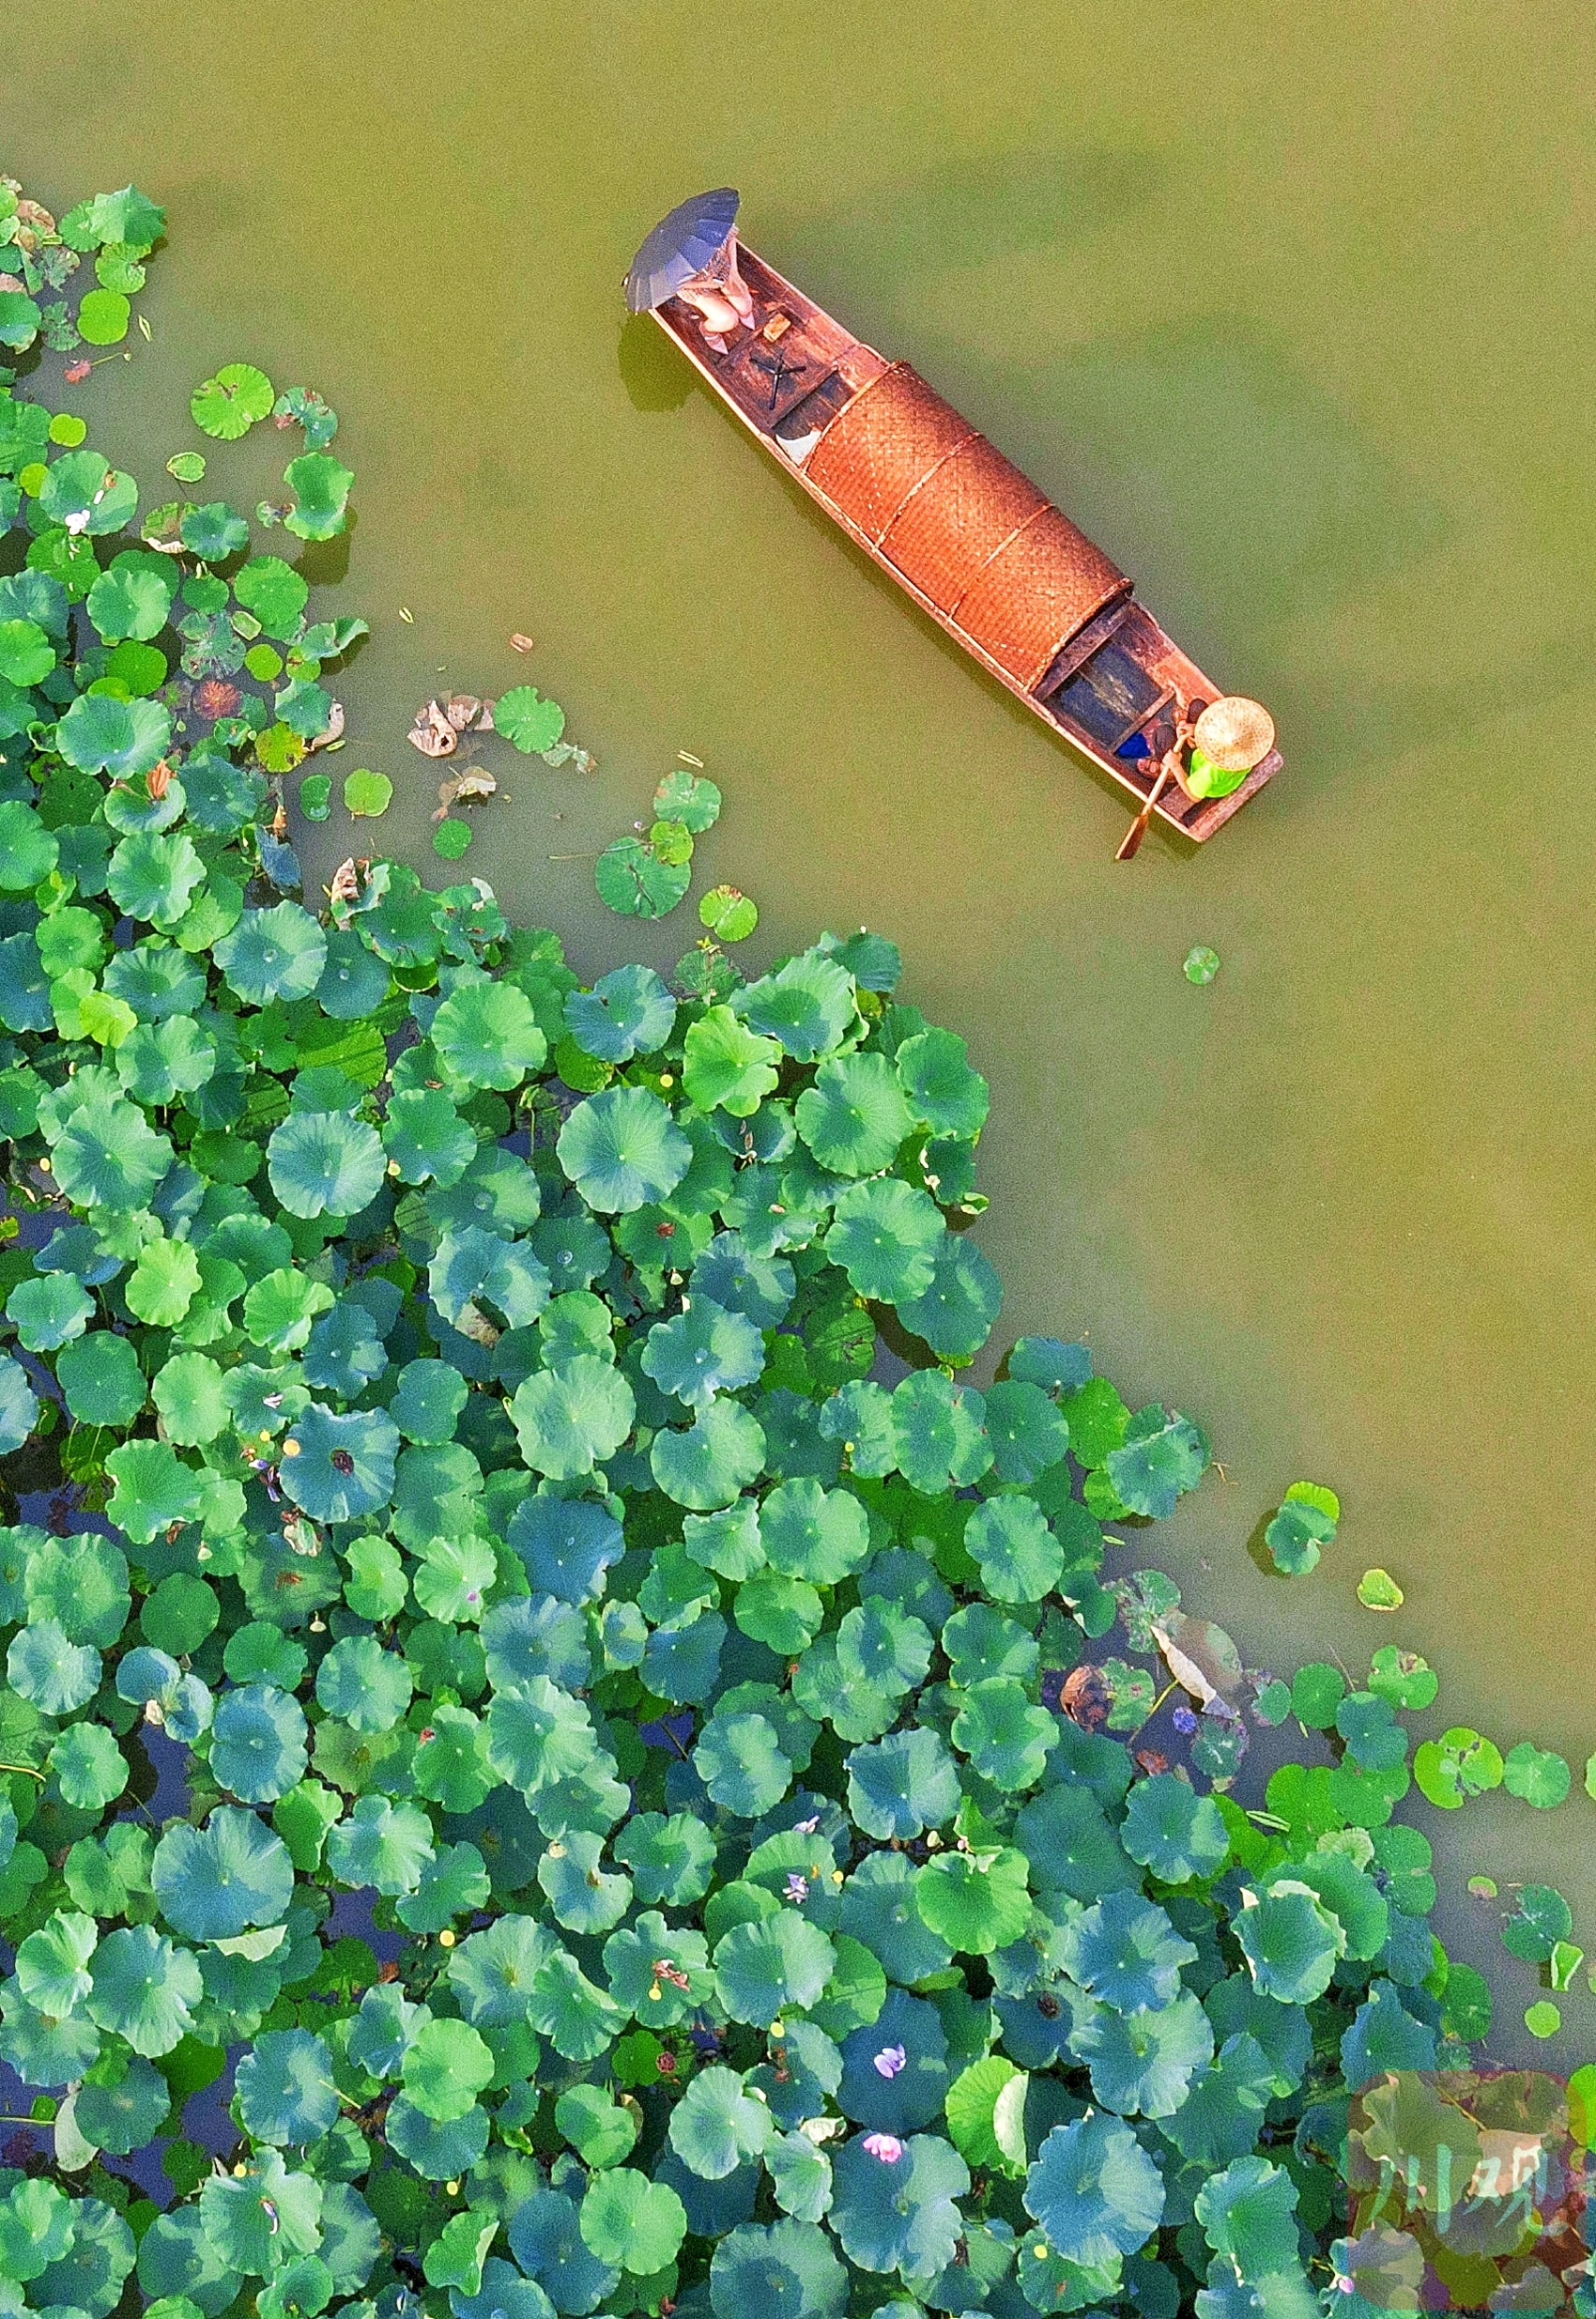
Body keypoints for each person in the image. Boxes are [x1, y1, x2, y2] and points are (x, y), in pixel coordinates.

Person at [674, 232, 755, 352]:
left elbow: (731, 237)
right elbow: (676, 284)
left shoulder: (711, 224)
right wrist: (706, 284)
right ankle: (707, 330)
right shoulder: (671, 252)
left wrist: (734, 272)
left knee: (745, 306)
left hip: (721, 267)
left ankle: (738, 308)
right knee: (728, 320)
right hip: (696, 287)